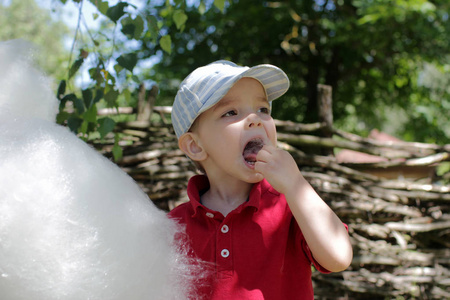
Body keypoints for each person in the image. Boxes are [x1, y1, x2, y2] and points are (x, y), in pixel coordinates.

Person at [168, 60, 352, 299]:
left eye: (263, 109)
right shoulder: (173, 227)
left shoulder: (291, 206)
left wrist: (296, 184)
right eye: (231, 112)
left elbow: (339, 257)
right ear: (195, 145)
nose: (255, 119)